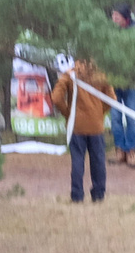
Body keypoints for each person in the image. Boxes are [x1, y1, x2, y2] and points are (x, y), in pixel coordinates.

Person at [47, 55, 115, 204]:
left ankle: (77, 195)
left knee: (77, 160)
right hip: (96, 126)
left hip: (76, 126)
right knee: (98, 160)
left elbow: (56, 98)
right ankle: (99, 195)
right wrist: (99, 113)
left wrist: (68, 114)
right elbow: (112, 99)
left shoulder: (70, 75)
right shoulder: (101, 75)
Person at [110, 6, 135, 169]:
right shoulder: (110, 34)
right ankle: (120, 150)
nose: (114, 19)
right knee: (115, 118)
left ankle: (131, 151)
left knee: (131, 118)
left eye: (116, 16)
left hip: (131, 82)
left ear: (125, 18)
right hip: (114, 82)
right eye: (112, 16)